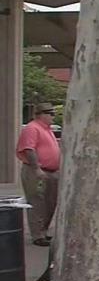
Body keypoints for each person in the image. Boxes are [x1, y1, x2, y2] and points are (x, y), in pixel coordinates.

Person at [16, 102, 60, 246]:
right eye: (50, 113)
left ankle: (44, 230)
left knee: (50, 202)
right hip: (36, 170)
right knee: (37, 201)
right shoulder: (32, 128)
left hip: (52, 171)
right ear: (40, 114)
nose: (52, 116)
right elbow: (29, 149)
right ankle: (37, 234)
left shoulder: (47, 130)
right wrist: (36, 168)